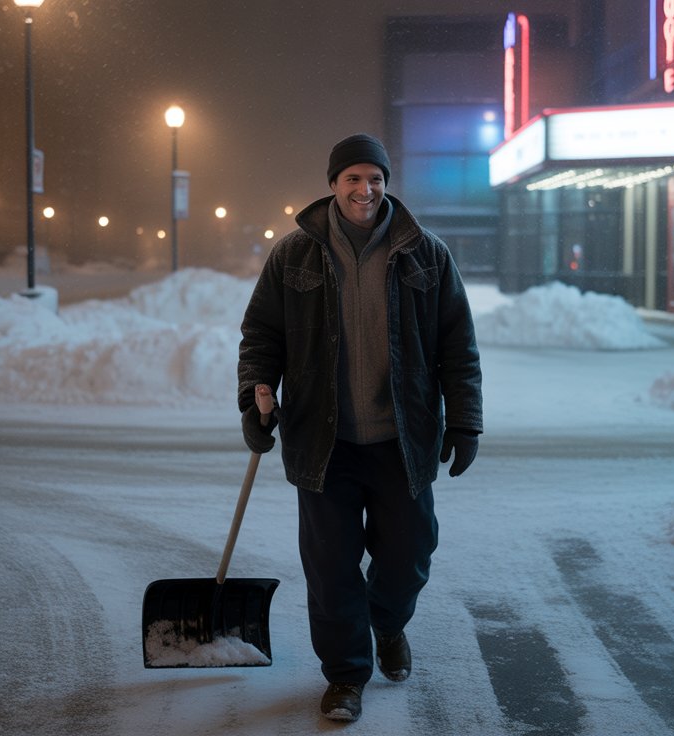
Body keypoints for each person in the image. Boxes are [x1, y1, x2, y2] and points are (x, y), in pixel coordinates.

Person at [237, 133, 483, 722]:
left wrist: (466, 422)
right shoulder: (293, 254)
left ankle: (388, 623)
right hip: (324, 443)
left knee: (409, 555)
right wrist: (254, 396)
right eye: (352, 178)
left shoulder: (427, 252)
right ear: (332, 185)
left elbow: (458, 345)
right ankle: (346, 676)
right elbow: (261, 334)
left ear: (386, 183)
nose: (364, 189)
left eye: (374, 178)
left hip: (404, 439)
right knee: (331, 569)